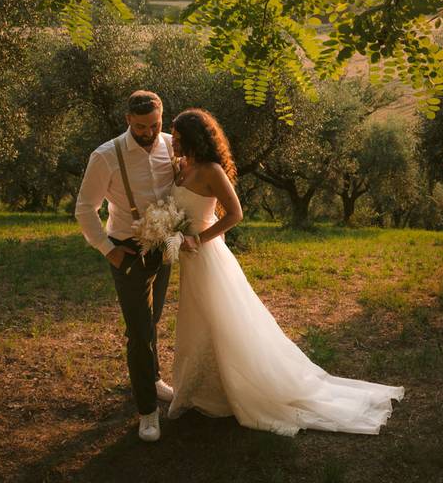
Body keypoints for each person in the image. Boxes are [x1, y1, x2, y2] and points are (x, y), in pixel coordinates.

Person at [167, 108, 404, 436]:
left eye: (178, 139)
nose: (173, 143)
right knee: (197, 321)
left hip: (207, 257)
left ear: (193, 139)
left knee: (223, 321)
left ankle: (235, 388)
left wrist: (199, 238)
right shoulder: (181, 166)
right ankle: (201, 387)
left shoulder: (211, 170)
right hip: (190, 261)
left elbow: (235, 214)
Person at [75, 90, 176, 442]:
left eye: (155, 125)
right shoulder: (106, 156)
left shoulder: (171, 145)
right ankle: (147, 412)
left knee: (154, 319)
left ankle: (153, 378)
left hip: (164, 245)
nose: (148, 133)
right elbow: (84, 208)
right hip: (127, 251)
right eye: (140, 127)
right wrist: (108, 249)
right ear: (127, 121)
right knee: (139, 332)